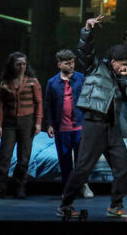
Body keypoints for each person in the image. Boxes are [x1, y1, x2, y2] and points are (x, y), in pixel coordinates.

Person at [56, 15, 127, 220]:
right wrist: (87, 29)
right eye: (122, 63)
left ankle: (115, 205)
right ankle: (65, 204)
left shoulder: (123, 77)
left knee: (123, 166)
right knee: (83, 168)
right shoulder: (95, 68)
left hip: (112, 128)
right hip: (94, 125)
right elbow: (85, 51)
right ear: (112, 61)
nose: (124, 67)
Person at [0, 51, 43, 199]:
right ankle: (0, 188)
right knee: (5, 155)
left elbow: (39, 103)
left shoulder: (32, 81)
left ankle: (19, 187)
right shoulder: (5, 82)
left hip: (27, 121)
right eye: (18, 64)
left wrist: (38, 123)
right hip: (9, 122)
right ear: (12, 65)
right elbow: (0, 105)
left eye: (24, 64)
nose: (21, 67)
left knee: (24, 157)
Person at [44, 49, 93, 199]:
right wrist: (49, 124)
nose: (71, 66)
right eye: (67, 63)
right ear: (59, 64)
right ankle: (67, 188)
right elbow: (48, 105)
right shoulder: (52, 83)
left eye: (72, 62)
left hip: (79, 125)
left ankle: (83, 184)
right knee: (64, 159)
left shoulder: (81, 78)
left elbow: (89, 99)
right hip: (62, 128)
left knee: (82, 159)